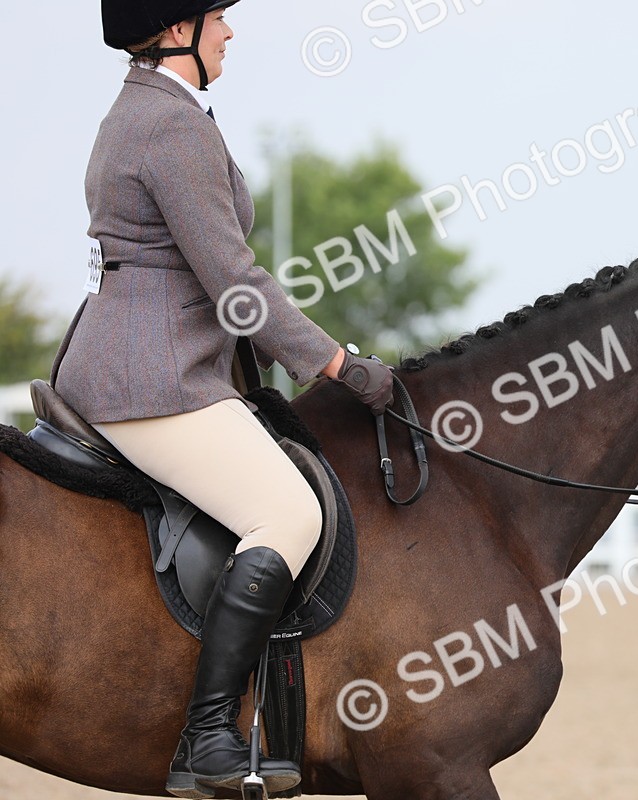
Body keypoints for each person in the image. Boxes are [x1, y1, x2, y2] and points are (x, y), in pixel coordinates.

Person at [51, 2, 394, 796]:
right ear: (178, 31)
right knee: (290, 515)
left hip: (143, 360)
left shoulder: (143, 109)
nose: (229, 32)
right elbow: (235, 283)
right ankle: (207, 736)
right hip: (152, 379)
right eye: (216, 19)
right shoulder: (170, 126)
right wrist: (336, 364)